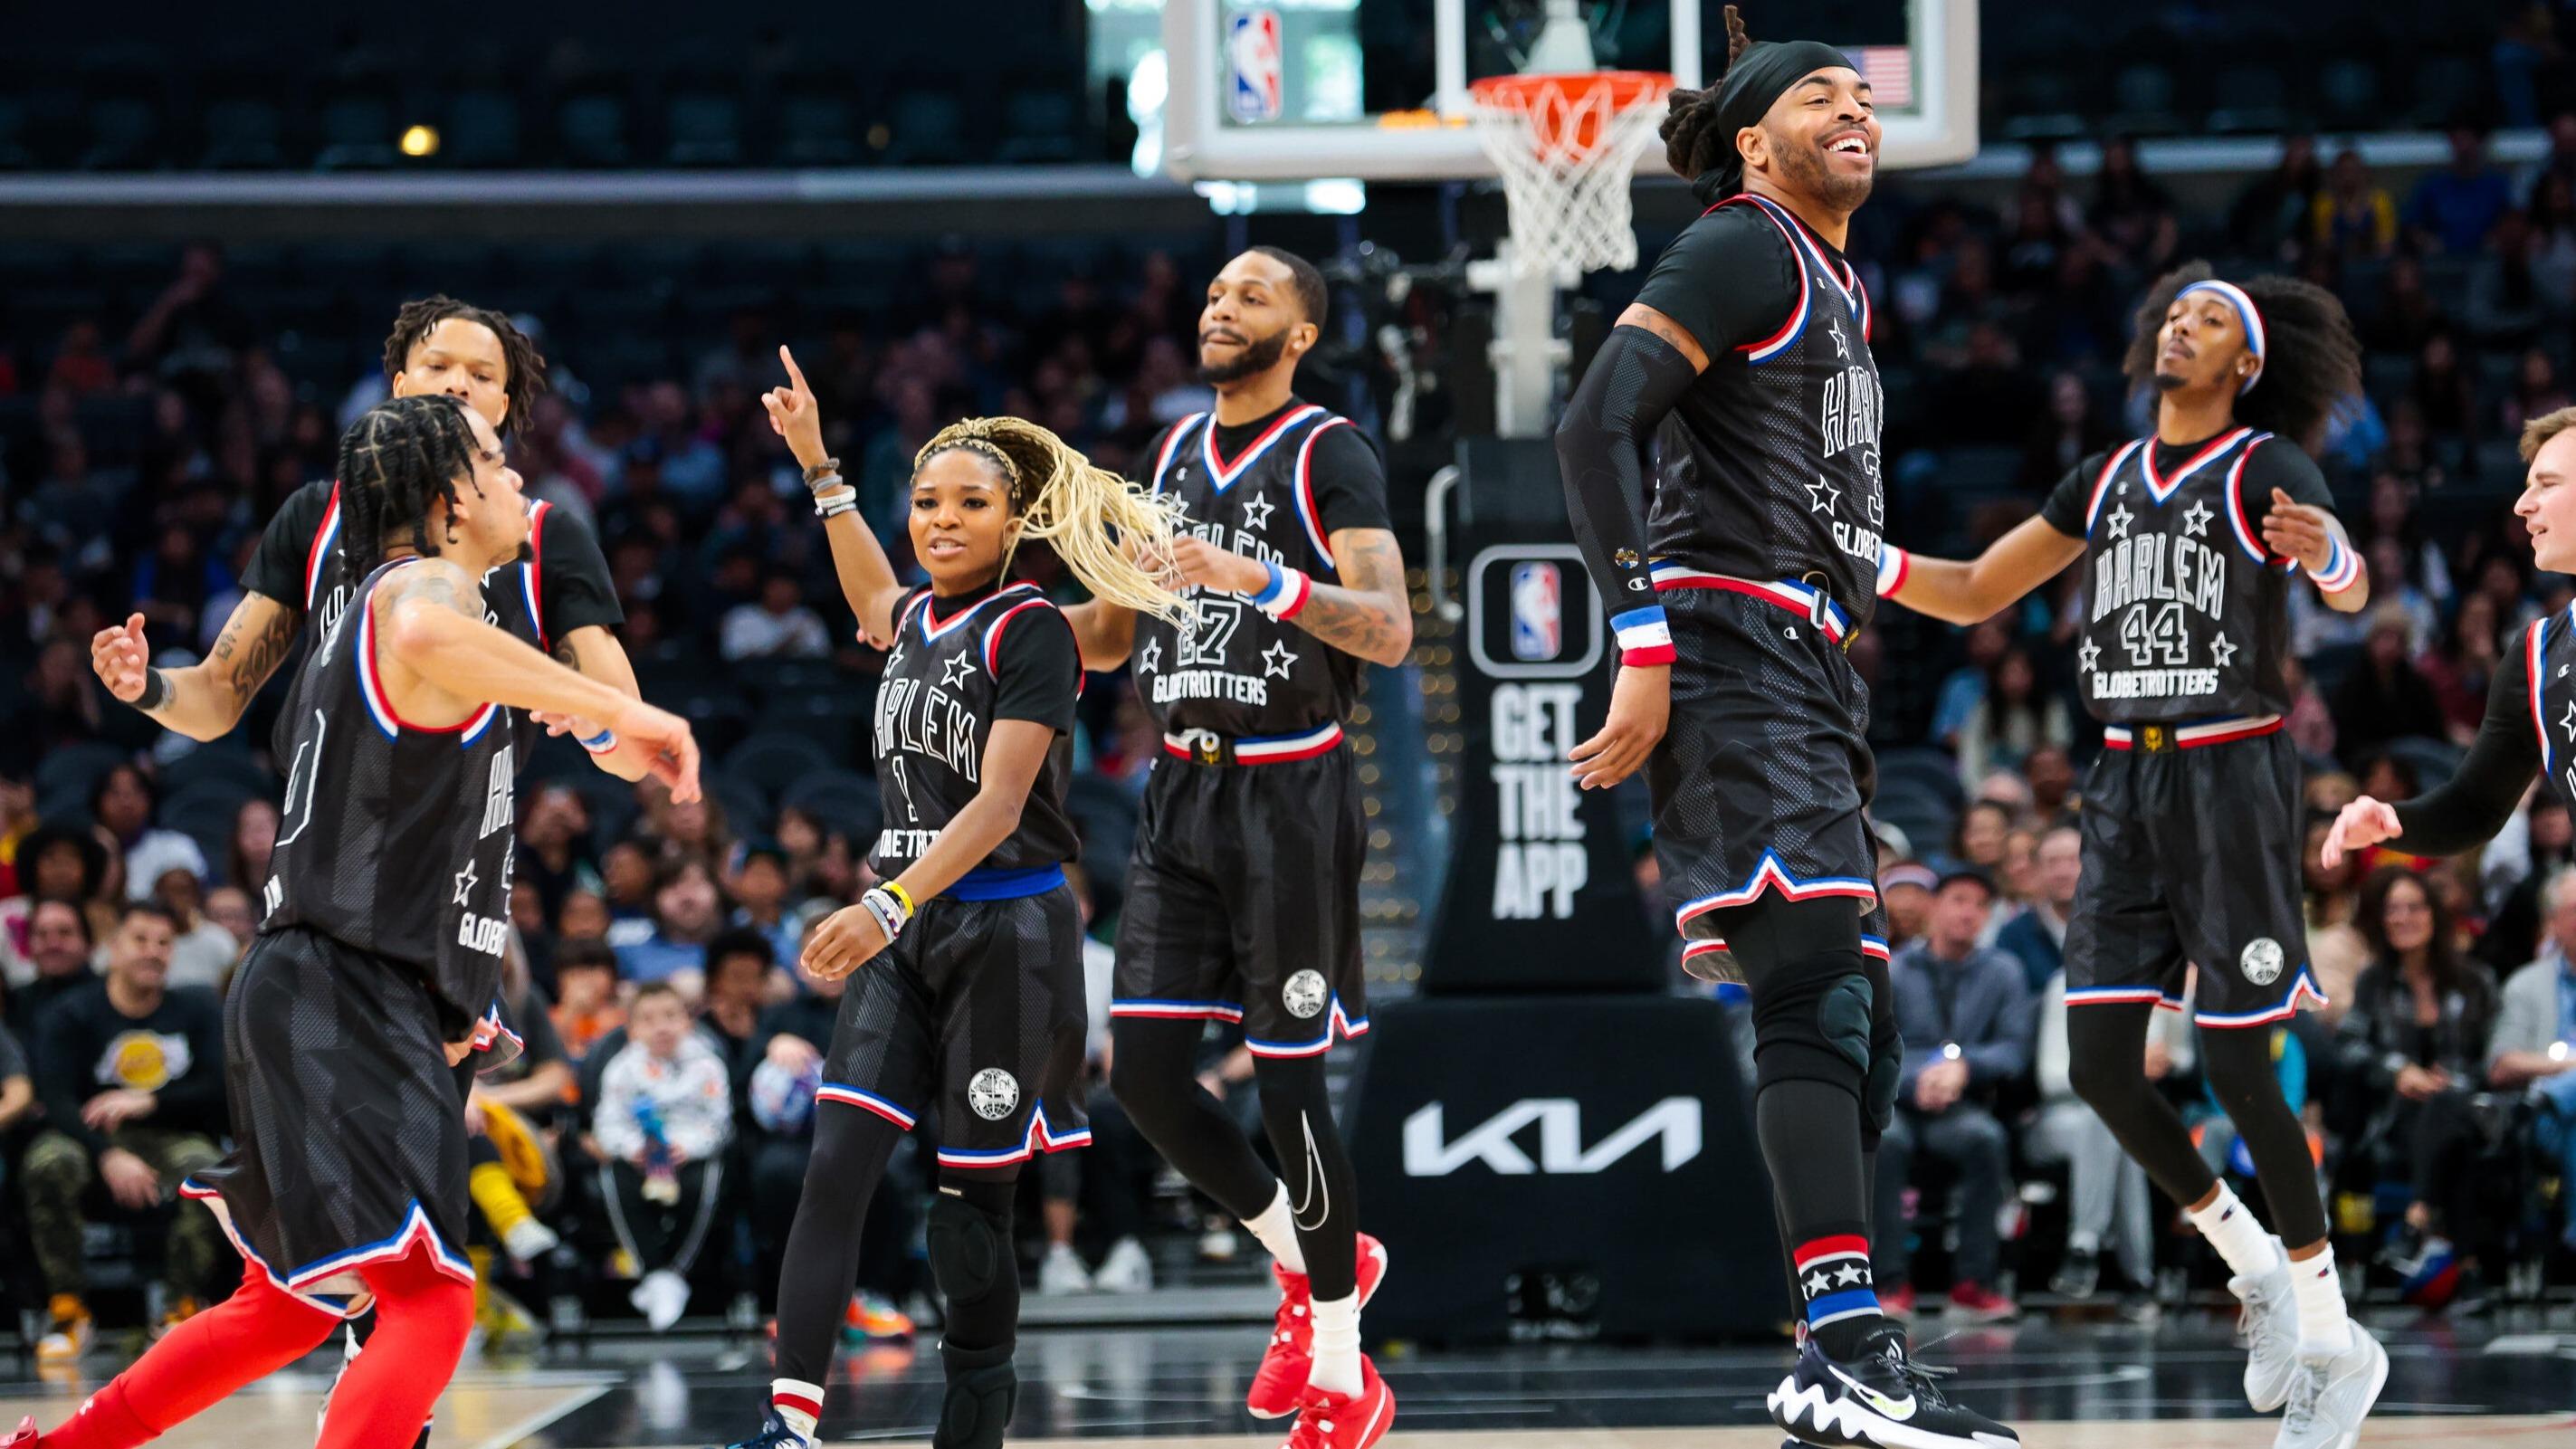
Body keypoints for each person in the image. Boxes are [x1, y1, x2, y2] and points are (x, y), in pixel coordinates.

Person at [7, 393, 701, 1449]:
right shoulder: (424, 589)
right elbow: (425, 626)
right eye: (498, 465)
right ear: (445, 495)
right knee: (431, 1300)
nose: (522, 481)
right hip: (342, 983)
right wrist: (627, 708)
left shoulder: (454, 619)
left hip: (328, 980)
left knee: (285, 1302)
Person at [1550, 8, 2013, 1447]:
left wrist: (1984, 575)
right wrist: (1639, 647)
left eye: (1860, 95)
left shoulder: (1834, 287)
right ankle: (1851, 1345)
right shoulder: (1742, 241)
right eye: (1821, 96)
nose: (1855, 109)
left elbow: (1838, 532)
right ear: (1754, 142)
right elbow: (1591, 427)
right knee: (1812, 980)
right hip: (1722, 642)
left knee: (1856, 1028)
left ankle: (1829, 1354)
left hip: (1805, 652)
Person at [1880, 261, 2384, 1447]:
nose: (2181, 327)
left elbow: (2351, 590)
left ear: (2244, 365)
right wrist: (1851, 552)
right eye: (2173, 313)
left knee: (2239, 1066)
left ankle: (2331, 1338)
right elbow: (1967, 591)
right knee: (2103, 1065)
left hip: (2233, 771)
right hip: (2120, 777)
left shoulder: (2263, 466)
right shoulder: (2103, 477)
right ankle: (2251, 1263)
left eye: (2209, 320)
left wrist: (2326, 555)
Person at [720, 351, 1188, 1449]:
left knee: (970, 1210)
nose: (940, 519)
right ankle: (792, 1424)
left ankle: (972, 1429)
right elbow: (868, 590)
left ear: (1012, 519)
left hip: (1008, 933)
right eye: (926, 501)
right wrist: (818, 465)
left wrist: (881, 903)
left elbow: (997, 803)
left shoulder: (1031, 627)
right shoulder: (911, 618)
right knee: (834, 1168)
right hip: (909, 927)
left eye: (968, 503)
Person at [1061, 243, 1411, 1445]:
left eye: (1249, 294)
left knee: (1287, 1087)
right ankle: (1324, 1263)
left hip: (1288, 796)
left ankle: (1340, 1371)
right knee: (1147, 1080)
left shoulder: (1330, 450)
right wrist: (985, 605)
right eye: (1210, 292)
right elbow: (1110, 639)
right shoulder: (1165, 454)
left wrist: (1256, 577)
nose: (1219, 306)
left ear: (1300, 331)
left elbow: (1389, 629)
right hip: (1178, 793)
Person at [87, 295, 647, 783]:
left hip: (461, 882)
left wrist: (597, 728)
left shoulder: (548, 537)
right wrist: (147, 687)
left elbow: (634, 749)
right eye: (439, 365)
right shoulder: (315, 517)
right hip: (322, 873)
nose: (458, 383)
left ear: (502, 406)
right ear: (400, 387)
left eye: (481, 375)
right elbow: (216, 696)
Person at [23, 902, 228, 1356]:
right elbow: (56, 1101)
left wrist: (150, 1099)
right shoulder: (71, 1012)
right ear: (113, 949)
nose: (153, 952)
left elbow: (219, 1086)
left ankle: (182, 1308)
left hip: (167, 1136)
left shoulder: (194, 1008)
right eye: (140, 940)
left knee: (207, 1168)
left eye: (163, 944)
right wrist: (106, 1153)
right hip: (86, 1138)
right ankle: (68, 1309)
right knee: (48, 1161)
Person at [2329, 869, 2501, 1285]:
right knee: (2449, 1133)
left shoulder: (2475, 980)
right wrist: (2398, 1071)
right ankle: (2469, 1273)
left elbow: (2495, 1059)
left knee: (2449, 1111)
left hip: (2468, 1109)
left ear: (2434, 915)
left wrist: (2452, 1082)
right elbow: (2348, 1047)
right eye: (2392, 909)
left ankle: (2417, 1217)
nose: (2402, 918)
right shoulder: (2375, 982)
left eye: (2414, 907)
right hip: (2397, 1120)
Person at [1874, 871, 2030, 1321]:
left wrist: (1963, 1067)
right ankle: (1889, 1282)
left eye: (1980, 905)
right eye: (1958, 900)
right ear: (1934, 907)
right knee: (1885, 1144)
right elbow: (1871, 1046)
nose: (1968, 913)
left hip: (1961, 1106)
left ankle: (1973, 1283)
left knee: (1986, 1140)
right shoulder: (1893, 968)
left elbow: (2014, 1049)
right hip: (1895, 1102)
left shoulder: (2003, 971)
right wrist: (1921, 1076)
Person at [593, 982, 732, 1332]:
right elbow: (607, 1124)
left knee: (708, 1178)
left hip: (690, 1154)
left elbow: (719, 1122)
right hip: (640, 1156)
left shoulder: (708, 1066)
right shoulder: (621, 1070)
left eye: (671, 1016)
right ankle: (654, 1274)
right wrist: (631, 1149)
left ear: (688, 1022)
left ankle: (674, 1274)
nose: (662, 1027)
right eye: (649, 1019)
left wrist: (689, 1146)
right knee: (614, 1176)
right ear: (632, 1029)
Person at [2488, 868, 2576, 1252]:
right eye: (2574, 910)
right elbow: (2502, 1064)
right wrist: (2567, 1067)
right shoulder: (2527, 984)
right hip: (2543, 1120)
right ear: (2552, 922)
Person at [1996, 822, 2080, 995]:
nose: (2063, 872)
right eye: (2052, 862)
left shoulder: (2112, 930)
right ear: (2037, 870)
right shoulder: (2013, 935)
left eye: (2073, 861)